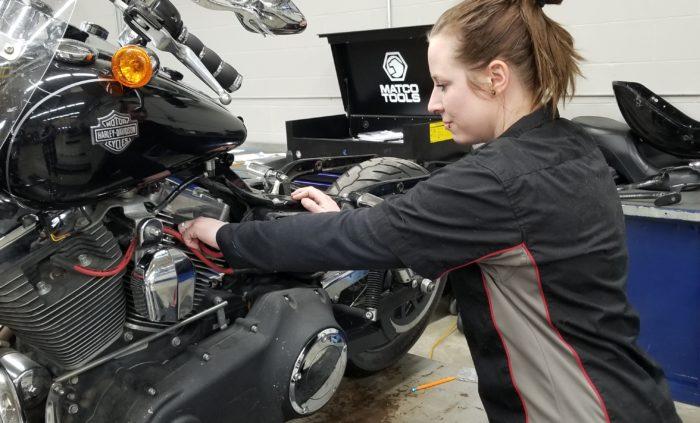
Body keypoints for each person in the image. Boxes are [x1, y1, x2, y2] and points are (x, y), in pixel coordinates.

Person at [177, 0, 681, 421]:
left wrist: (224, 237)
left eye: (443, 84)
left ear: (495, 77)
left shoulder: (497, 180)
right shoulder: (568, 145)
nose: (433, 104)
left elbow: (373, 235)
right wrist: (344, 217)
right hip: (632, 390)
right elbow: (416, 227)